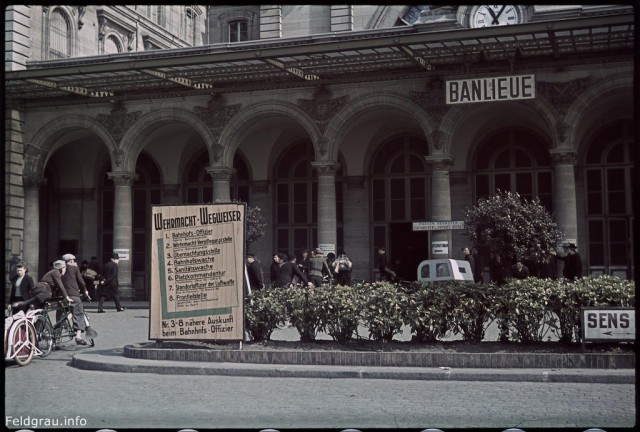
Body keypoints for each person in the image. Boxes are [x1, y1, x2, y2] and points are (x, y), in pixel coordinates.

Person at [61, 253, 91, 345]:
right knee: (79, 313)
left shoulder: (60, 269)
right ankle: (78, 336)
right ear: (71, 261)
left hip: (63, 296)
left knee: (63, 312)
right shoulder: (74, 268)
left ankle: (59, 330)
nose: (74, 262)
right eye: (73, 261)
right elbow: (81, 282)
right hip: (74, 294)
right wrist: (85, 291)